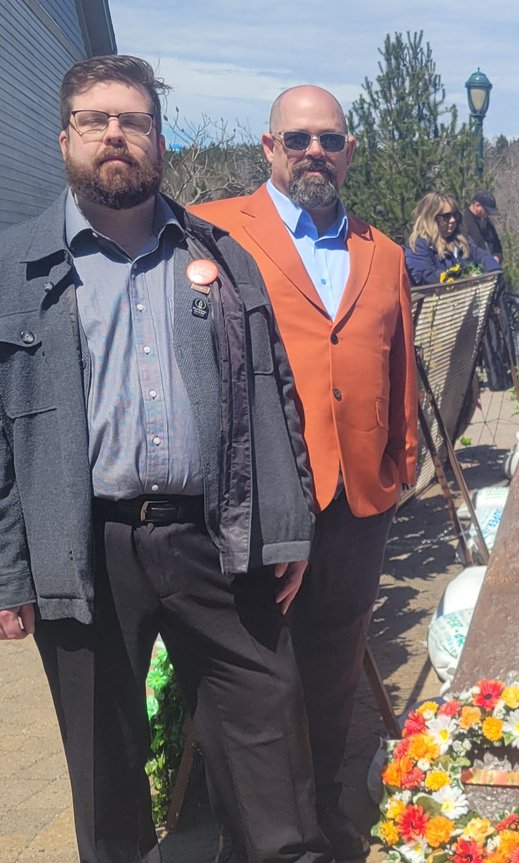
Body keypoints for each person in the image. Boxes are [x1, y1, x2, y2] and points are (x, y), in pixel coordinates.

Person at [0, 55, 330, 862]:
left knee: (267, 735)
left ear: (158, 138)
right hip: (87, 548)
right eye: (96, 120)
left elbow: (271, 391)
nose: (116, 134)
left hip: (218, 535)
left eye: (135, 120)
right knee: (103, 761)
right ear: (65, 137)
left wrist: (287, 529)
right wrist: (9, 573)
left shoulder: (219, 254)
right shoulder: (15, 267)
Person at [192, 84, 419, 860]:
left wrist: (402, 464)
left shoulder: (381, 251)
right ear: (269, 147)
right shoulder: (214, 232)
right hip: (259, 498)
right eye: (298, 139)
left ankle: (325, 804)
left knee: (332, 669)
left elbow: (400, 370)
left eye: (329, 139)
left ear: (350, 150)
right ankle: (256, 828)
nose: (313, 151)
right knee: (257, 679)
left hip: (358, 498)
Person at [405, 192, 499, 286]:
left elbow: (482, 256)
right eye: (446, 217)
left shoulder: (461, 240)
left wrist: (493, 271)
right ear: (431, 217)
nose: (453, 220)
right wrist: (458, 276)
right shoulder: (418, 245)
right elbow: (426, 276)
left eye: (455, 215)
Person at [462, 190, 503, 261]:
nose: (488, 214)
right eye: (486, 211)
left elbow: (497, 246)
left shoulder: (487, 223)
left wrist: (497, 257)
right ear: (477, 205)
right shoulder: (463, 222)